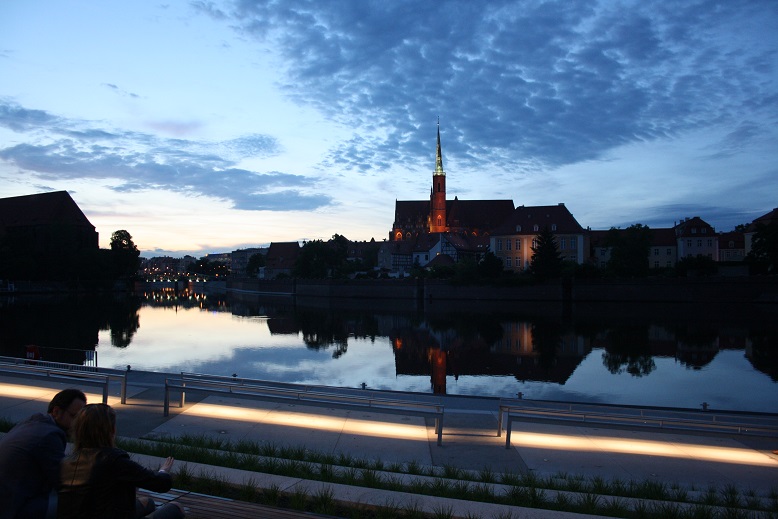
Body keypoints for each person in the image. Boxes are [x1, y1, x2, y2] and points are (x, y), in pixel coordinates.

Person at [58, 404, 184, 519]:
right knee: (176, 507)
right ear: (111, 431)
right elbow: (161, 483)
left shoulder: (67, 462)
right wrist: (164, 471)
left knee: (147, 502)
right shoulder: (114, 461)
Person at [0, 388, 87, 519]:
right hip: (15, 508)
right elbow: (63, 481)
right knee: (78, 500)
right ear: (56, 412)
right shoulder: (49, 436)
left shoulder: (33, 422)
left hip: (8, 498)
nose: (78, 424)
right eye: (74, 417)